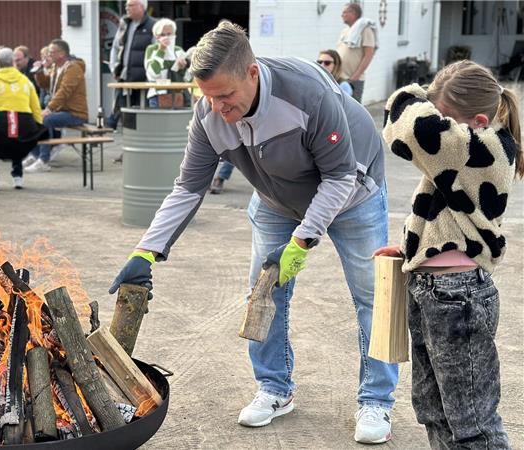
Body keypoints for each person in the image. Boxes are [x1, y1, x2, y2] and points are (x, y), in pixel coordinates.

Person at [108, 22, 398, 444]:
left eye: (226, 96)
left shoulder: (307, 94)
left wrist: (301, 243)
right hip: (276, 199)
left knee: (374, 295)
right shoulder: (209, 113)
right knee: (262, 291)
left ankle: (377, 400)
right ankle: (275, 390)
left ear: (252, 73)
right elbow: (189, 187)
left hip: (354, 191)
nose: (219, 108)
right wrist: (146, 251)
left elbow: (337, 179)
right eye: (209, 97)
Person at [375, 60, 521, 449]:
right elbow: (443, 213)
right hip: (436, 288)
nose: (439, 123)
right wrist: (415, 248)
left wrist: (425, 93)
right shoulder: (464, 148)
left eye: (445, 117)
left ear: (475, 120)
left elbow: (402, 117)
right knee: (433, 408)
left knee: (471, 419)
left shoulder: (478, 147)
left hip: (457, 296)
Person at [0, 47, 44, 191]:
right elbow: (36, 109)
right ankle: (18, 177)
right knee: (16, 129)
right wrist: (38, 127)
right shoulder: (25, 81)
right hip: (24, 137)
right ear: (13, 62)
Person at [24, 39, 88, 173]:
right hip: (61, 111)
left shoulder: (73, 68)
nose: (48, 55)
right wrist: (39, 71)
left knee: (46, 119)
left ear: (62, 54)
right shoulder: (55, 67)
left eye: (51, 52)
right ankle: (37, 155)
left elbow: (64, 92)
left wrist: (49, 109)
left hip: (75, 113)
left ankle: (43, 160)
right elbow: (45, 84)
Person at [106, 0, 156, 129]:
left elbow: (156, 51)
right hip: (124, 76)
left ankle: (141, 135)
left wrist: (151, 74)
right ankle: (123, 133)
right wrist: (114, 68)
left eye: (131, 5)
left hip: (143, 79)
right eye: (126, 5)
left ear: (142, 7)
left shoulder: (153, 25)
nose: (126, 7)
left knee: (141, 110)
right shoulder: (125, 24)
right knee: (122, 108)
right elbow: (116, 48)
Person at [336, 3, 378, 103]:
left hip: (354, 79)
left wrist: (355, 76)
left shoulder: (365, 30)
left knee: (353, 111)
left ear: (353, 14)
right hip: (340, 78)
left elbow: (369, 54)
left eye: (345, 12)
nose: (342, 15)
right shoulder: (345, 31)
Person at [144, 18, 188, 108]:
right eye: (163, 35)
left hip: (177, 97)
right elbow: (152, 74)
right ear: (157, 37)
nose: (167, 37)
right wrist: (161, 50)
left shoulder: (178, 50)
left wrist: (183, 68)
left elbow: (188, 78)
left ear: (174, 35)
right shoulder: (152, 49)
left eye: (169, 34)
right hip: (157, 95)